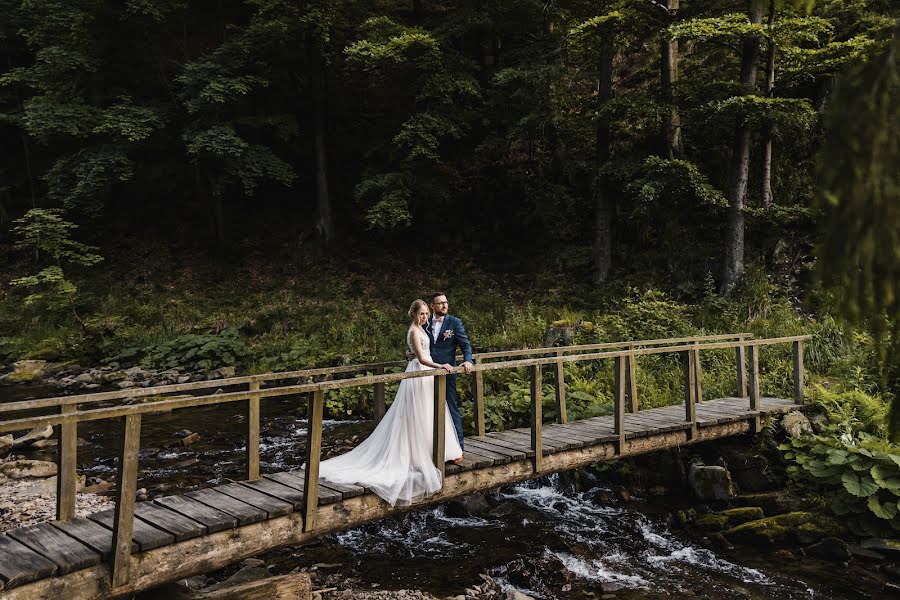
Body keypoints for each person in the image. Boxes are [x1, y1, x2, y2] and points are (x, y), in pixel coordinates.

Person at [316, 299, 463, 507]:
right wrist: (441, 365)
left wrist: (415, 356)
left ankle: (435, 451)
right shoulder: (413, 330)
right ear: (413, 314)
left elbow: (416, 352)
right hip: (420, 372)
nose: (424, 317)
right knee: (416, 413)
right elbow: (421, 359)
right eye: (421, 314)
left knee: (429, 411)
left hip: (426, 374)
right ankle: (415, 454)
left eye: (426, 314)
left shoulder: (421, 328)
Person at [423, 292, 474, 452]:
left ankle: (459, 447)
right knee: (424, 408)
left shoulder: (454, 322)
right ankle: (428, 448)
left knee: (451, 408)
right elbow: (419, 342)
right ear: (432, 306)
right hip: (426, 371)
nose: (444, 305)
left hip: (447, 372)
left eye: (445, 302)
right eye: (439, 303)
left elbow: (465, 345)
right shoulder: (424, 321)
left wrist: (467, 360)